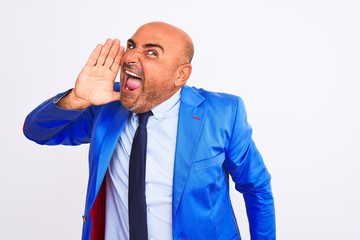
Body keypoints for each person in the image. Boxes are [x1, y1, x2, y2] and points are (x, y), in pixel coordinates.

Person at [23, 21, 275, 240]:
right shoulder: (106, 107)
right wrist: (78, 98)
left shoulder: (222, 113)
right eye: (131, 46)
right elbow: (37, 131)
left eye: (151, 53)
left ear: (180, 75)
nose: (130, 57)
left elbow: (256, 187)